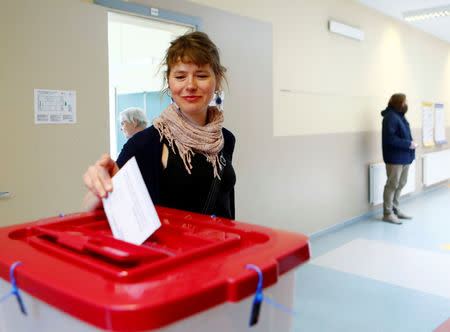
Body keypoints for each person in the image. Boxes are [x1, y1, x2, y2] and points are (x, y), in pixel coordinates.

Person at [82, 31, 236, 219]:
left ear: (218, 79)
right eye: (180, 77)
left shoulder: (224, 138)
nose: (190, 85)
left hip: (223, 245)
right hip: (174, 248)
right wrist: (99, 187)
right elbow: (94, 207)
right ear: (169, 82)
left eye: (201, 75)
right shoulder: (147, 143)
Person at [381, 93, 417, 224]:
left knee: (401, 184)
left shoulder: (400, 117)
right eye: (404, 102)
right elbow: (390, 139)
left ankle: (395, 209)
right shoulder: (390, 117)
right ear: (397, 103)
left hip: (404, 157)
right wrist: (408, 144)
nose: (405, 104)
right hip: (394, 158)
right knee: (392, 185)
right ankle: (387, 213)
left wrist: (411, 145)